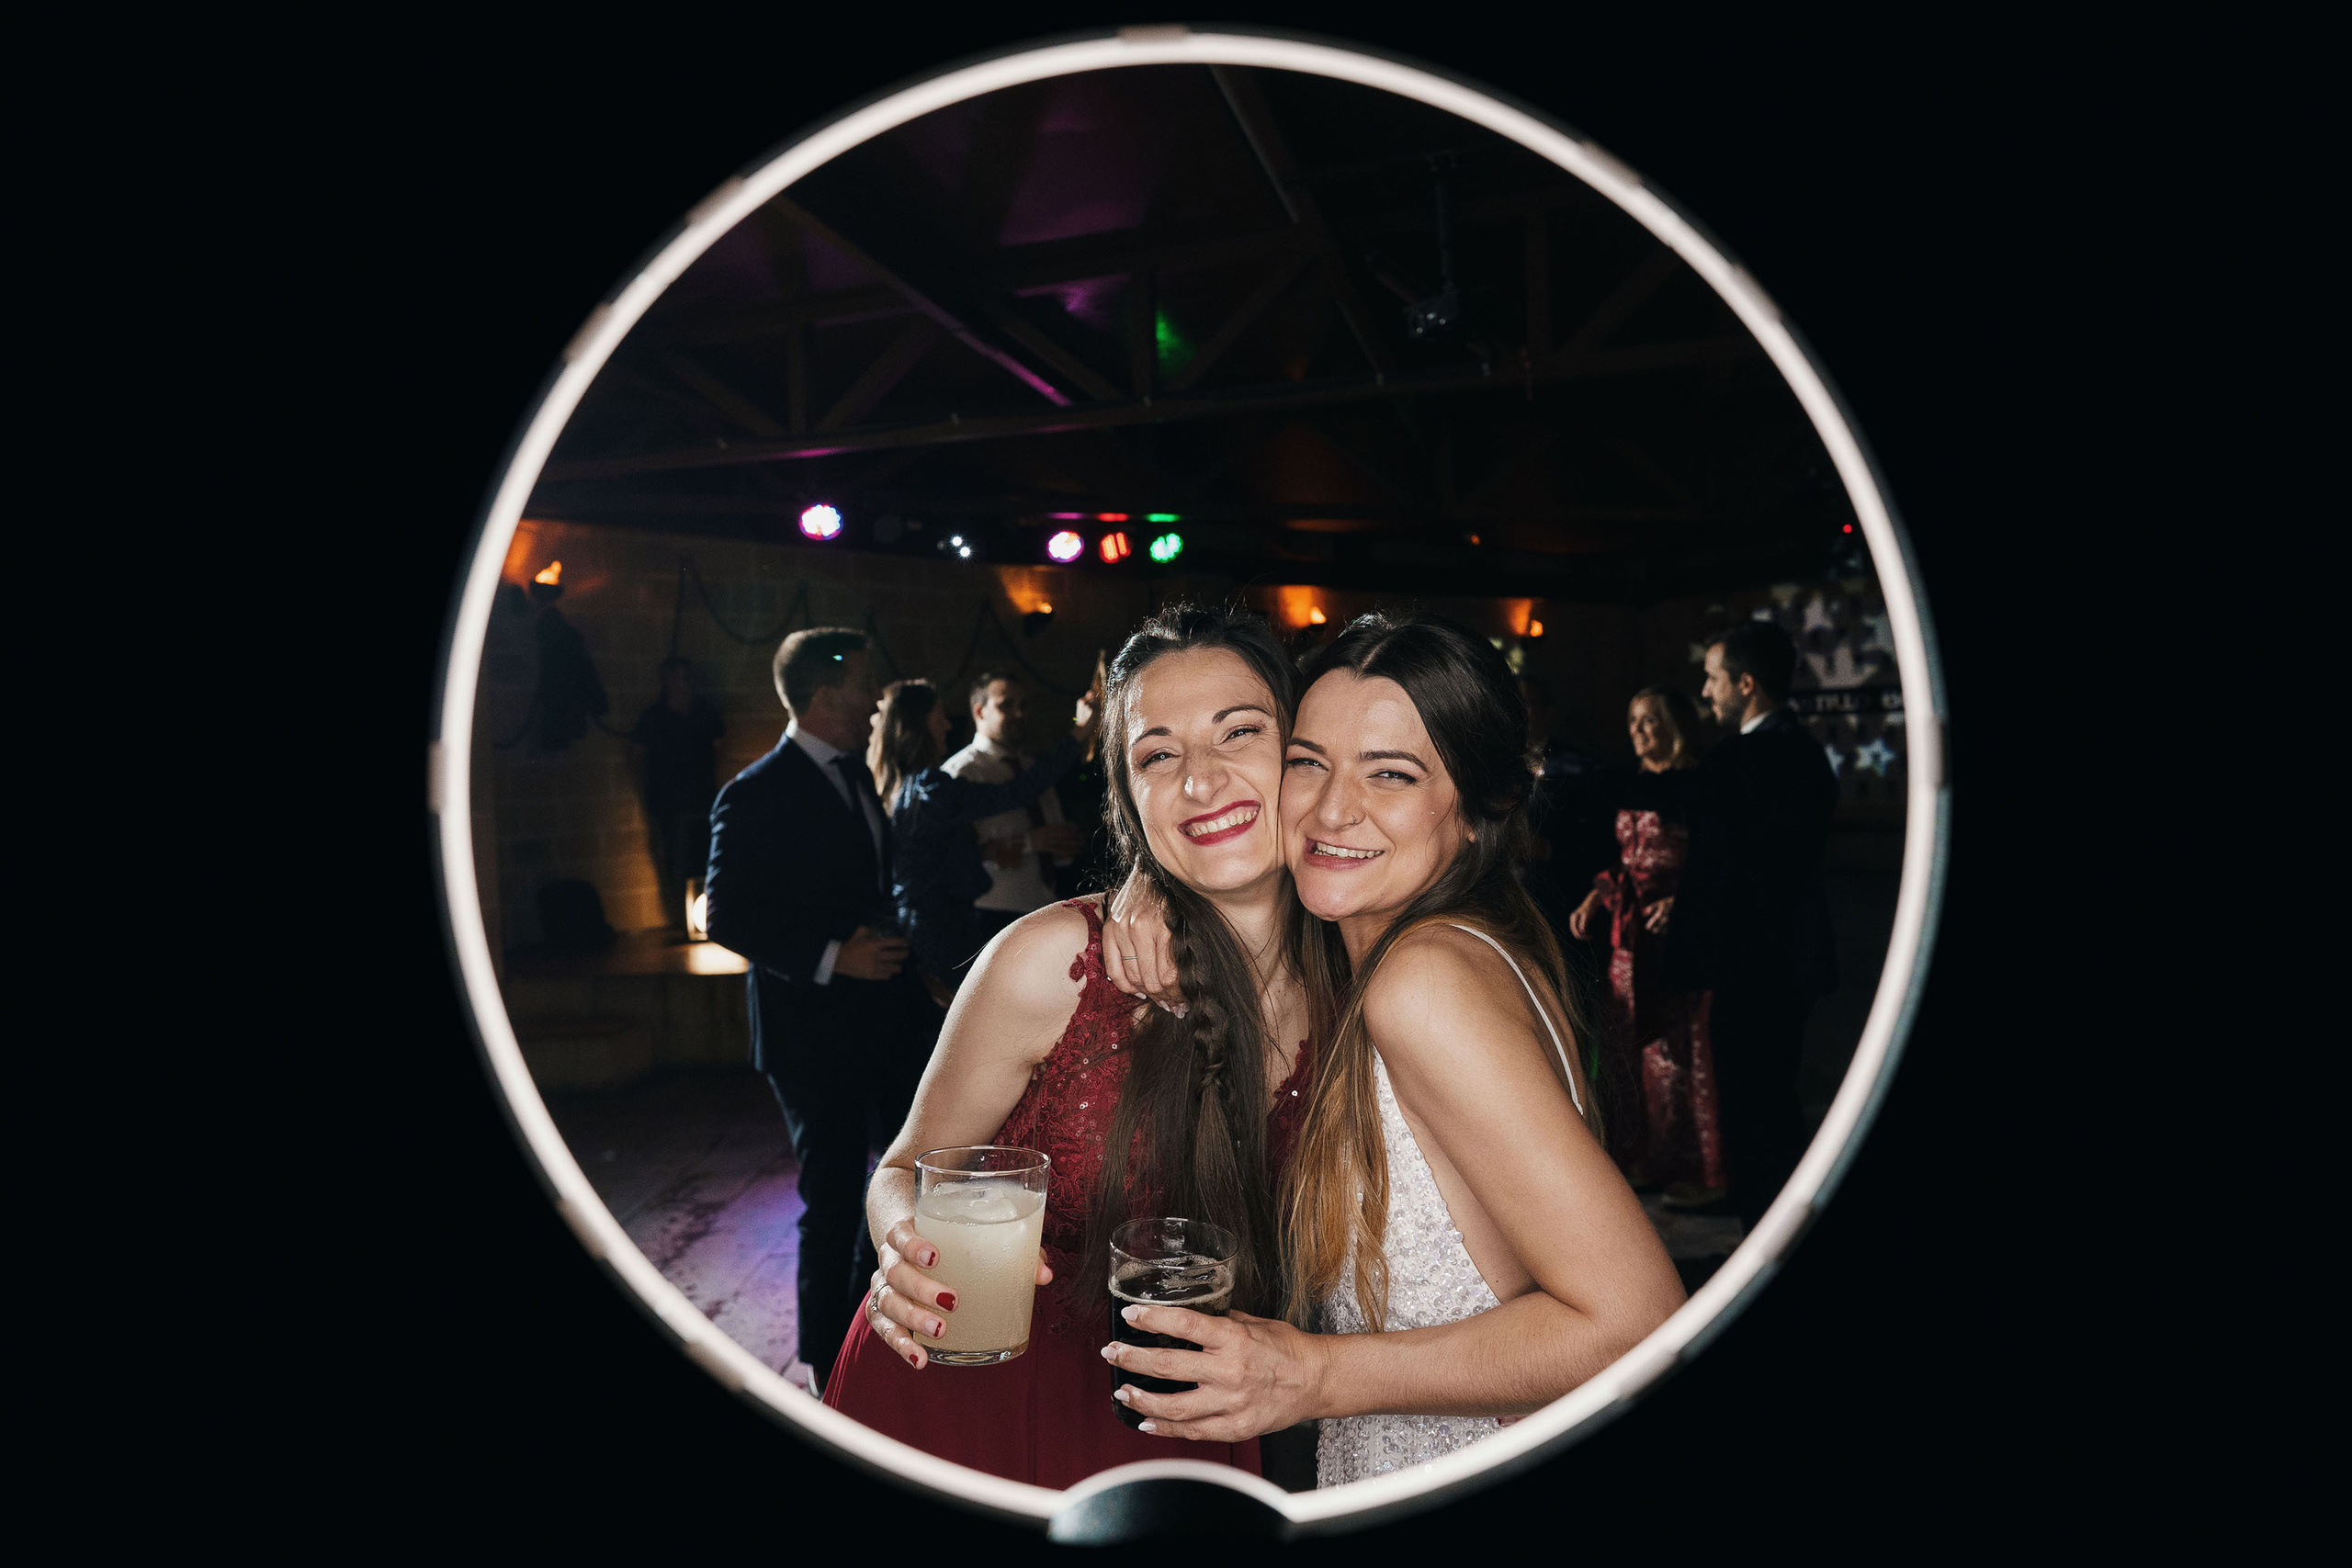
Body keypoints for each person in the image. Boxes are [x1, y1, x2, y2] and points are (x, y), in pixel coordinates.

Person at [1099, 614, 1685, 1486]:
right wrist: (1151, 880)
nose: (1333, 808)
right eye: (1309, 762)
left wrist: (1309, 1374)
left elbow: (1641, 1325)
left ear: (1481, 809)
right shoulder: (1436, 949)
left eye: (1392, 773)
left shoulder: (1424, 980)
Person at [823, 607, 1315, 1487]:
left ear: (1302, 753)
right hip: (968, 1395)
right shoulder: (1053, 961)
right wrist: (903, 1247)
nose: (1201, 778)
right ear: (1128, 795)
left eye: (1239, 731)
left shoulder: (1359, 980)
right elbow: (902, 1166)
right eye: (1157, 754)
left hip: (1191, 1413)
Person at [702, 627, 942, 1389]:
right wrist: (836, 956)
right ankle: (822, 1368)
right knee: (833, 1197)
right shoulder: (754, 791)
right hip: (809, 1033)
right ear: (828, 694)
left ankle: (876, 1330)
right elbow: (724, 915)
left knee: (908, 1176)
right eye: (866, 685)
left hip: (884, 1020)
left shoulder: (855, 773)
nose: (877, 700)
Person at [1658, 622, 1838, 1230]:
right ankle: (1769, 1230)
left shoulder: (1756, 754)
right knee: (1766, 1106)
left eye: (1713, 679)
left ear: (1746, 683)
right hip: (1776, 960)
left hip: (1757, 964)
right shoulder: (1796, 751)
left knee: (1757, 1112)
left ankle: (1769, 1238)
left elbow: (1736, 856)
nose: (1706, 692)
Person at [1568, 686, 1721, 1205]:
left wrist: (1682, 902)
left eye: (1649, 720)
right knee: (1627, 1048)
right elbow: (1626, 860)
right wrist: (1595, 897)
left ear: (1673, 725)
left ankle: (1694, 1167)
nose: (1636, 730)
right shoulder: (1632, 780)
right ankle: (1642, 1158)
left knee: (1676, 1053)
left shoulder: (1697, 785)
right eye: (1633, 719)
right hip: (1627, 940)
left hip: (1673, 938)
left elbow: (1715, 861)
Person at [865, 678, 1099, 1002]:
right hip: (939, 929)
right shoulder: (931, 790)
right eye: (939, 717)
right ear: (918, 726)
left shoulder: (905, 787)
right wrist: (1077, 734)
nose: (948, 725)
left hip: (934, 924)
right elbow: (1017, 793)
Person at [942, 672, 1091, 945]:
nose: (1019, 714)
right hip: (989, 915)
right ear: (979, 712)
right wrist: (1030, 843)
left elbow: (1056, 842)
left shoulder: (1035, 770)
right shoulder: (961, 772)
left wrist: (1064, 848)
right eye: (1006, 705)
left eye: (1023, 705)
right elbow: (951, 859)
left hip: (1045, 908)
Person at [629, 656, 724, 935]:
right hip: (668, 802)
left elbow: (719, 749)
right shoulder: (654, 718)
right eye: (676, 678)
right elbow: (637, 756)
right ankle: (684, 923)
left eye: (686, 678)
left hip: (703, 799)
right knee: (675, 860)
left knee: (707, 857)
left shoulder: (704, 713)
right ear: (666, 681)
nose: (682, 684)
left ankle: (710, 920)